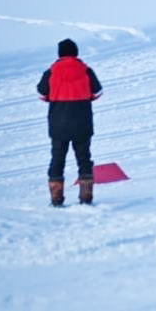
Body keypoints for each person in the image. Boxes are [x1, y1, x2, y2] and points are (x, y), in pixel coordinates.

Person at [37, 38, 103, 206]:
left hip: (58, 124)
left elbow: (42, 93)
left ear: (60, 54)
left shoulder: (51, 72)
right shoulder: (86, 70)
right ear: (76, 52)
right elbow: (97, 92)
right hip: (82, 123)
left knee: (57, 160)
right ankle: (86, 198)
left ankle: (56, 199)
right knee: (84, 159)